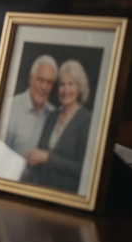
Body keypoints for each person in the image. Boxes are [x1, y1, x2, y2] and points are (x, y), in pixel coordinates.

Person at [22, 59, 93, 192]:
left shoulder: (87, 120)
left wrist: (48, 158)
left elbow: (84, 169)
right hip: (41, 190)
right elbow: (40, 153)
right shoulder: (52, 115)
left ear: (80, 87)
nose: (65, 90)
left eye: (71, 84)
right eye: (62, 84)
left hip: (66, 194)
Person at [2, 54, 57, 156]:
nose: (44, 87)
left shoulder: (54, 114)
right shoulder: (10, 107)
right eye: (40, 80)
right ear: (31, 79)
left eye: (49, 82)